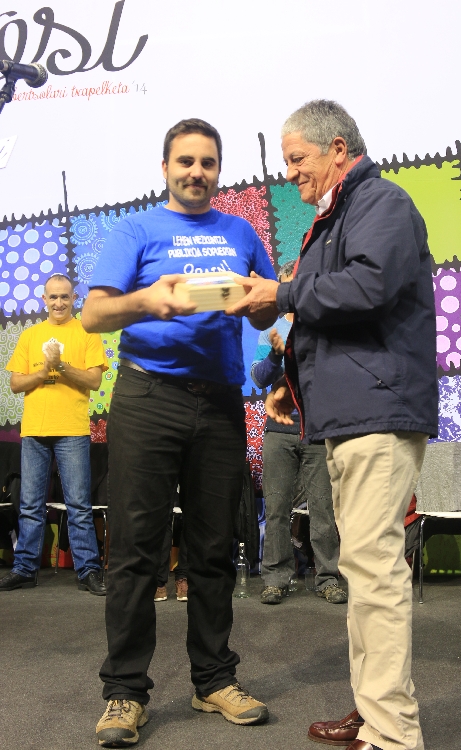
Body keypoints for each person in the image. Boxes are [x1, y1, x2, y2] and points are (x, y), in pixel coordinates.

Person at [226, 100, 438, 750]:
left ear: (338, 149)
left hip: (377, 413)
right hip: (350, 414)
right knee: (362, 570)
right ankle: (373, 709)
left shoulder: (381, 202)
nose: (290, 172)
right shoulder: (338, 215)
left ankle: (392, 733)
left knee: (373, 574)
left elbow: (368, 288)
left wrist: (282, 292)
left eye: (297, 159)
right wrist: (289, 384)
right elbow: (330, 318)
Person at [82, 118, 276, 747]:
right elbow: (93, 315)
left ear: (219, 171)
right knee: (135, 550)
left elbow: (267, 310)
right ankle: (124, 693)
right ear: (165, 168)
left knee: (214, 549)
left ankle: (214, 680)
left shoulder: (241, 232)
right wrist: (149, 300)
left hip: (219, 403)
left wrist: (259, 299)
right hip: (147, 398)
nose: (197, 172)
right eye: (185, 161)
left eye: (208, 163)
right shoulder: (135, 229)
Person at [0, 274, 107, 595]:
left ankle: (88, 570)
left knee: (78, 505)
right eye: (53, 297)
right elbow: (16, 383)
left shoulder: (87, 333)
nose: (58, 303)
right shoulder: (30, 335)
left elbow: (94, 381)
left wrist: (61, 367)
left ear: (74, 298)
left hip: (72, 430)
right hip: (35, 431)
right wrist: (43, 371)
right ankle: (25, 568)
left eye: (64, 297)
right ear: (44, 299)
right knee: (30, 505)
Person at [251, 260, 345, 605]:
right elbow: (258, 377)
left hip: (317, 429)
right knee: (276, 507)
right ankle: (276, 579)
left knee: (323, 508)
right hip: (279, 431)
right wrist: (276, 356)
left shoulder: (324, 326)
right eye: (288, 284)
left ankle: (328, 577)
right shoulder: (271, 329)